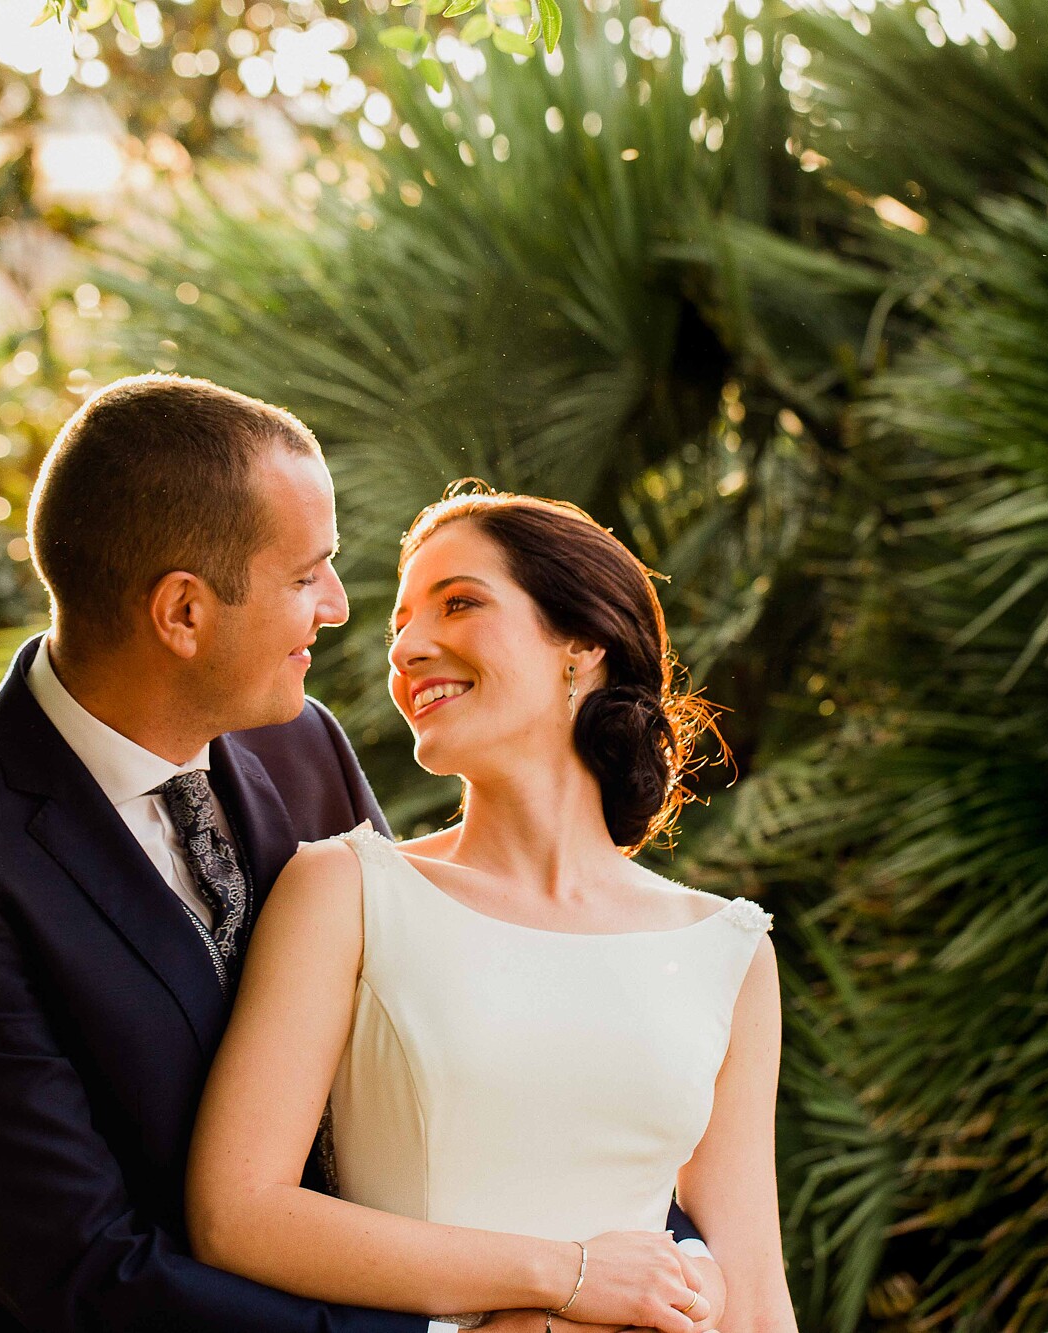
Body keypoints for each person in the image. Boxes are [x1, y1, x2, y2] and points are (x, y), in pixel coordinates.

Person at [0, 375, 706, 1333]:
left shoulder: (297, 739)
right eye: (304, 576)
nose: (336, 606)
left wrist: (655, 1254)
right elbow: (89, 1270)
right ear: (183, 614)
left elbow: (434, 1033)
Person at [186, 487, 798, 1333]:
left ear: (581, 646)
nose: (406, 648)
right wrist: (568, 1278)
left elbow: (755, 1284)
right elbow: (237, 1212)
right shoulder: (345, 891)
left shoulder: (726, 949)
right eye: (401, 623)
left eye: (459, 602)